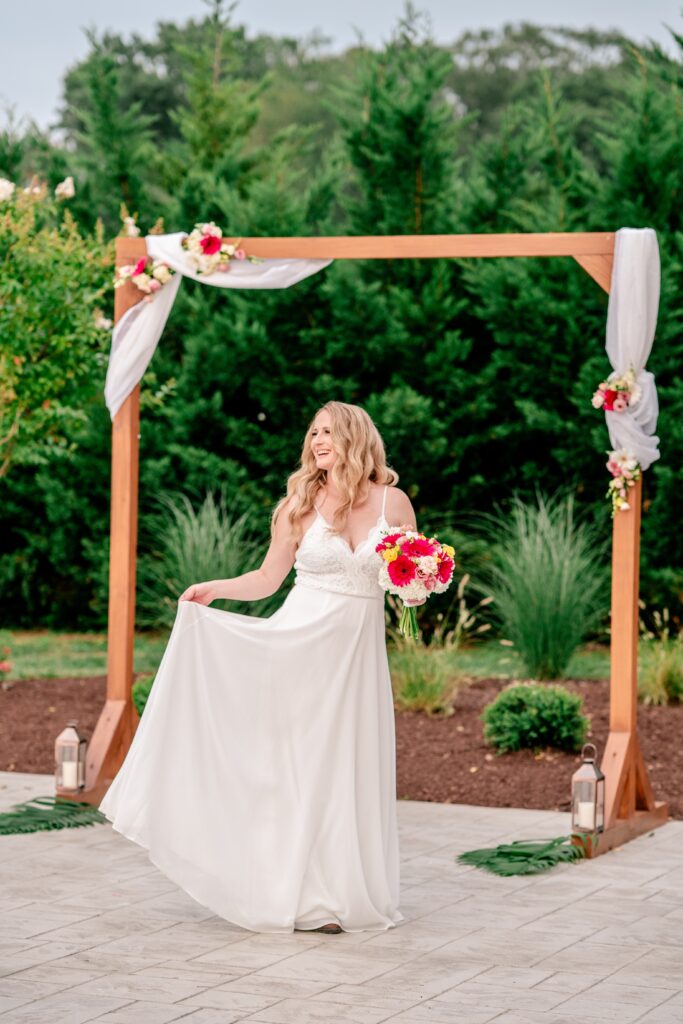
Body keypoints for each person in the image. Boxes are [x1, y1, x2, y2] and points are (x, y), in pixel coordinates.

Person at [100, 400, 418, 934]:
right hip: (299, 646)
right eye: (313, 431)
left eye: (329, 432)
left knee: (348, 766)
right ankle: (297, 894)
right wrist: (215, 590)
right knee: (300, 768)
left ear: (356, 438)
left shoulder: (395, 502)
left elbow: (406, 587)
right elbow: (269, 579)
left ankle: (342, 893)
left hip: (358, 660)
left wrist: (418, 584)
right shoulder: (301, 502)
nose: (317, 441)